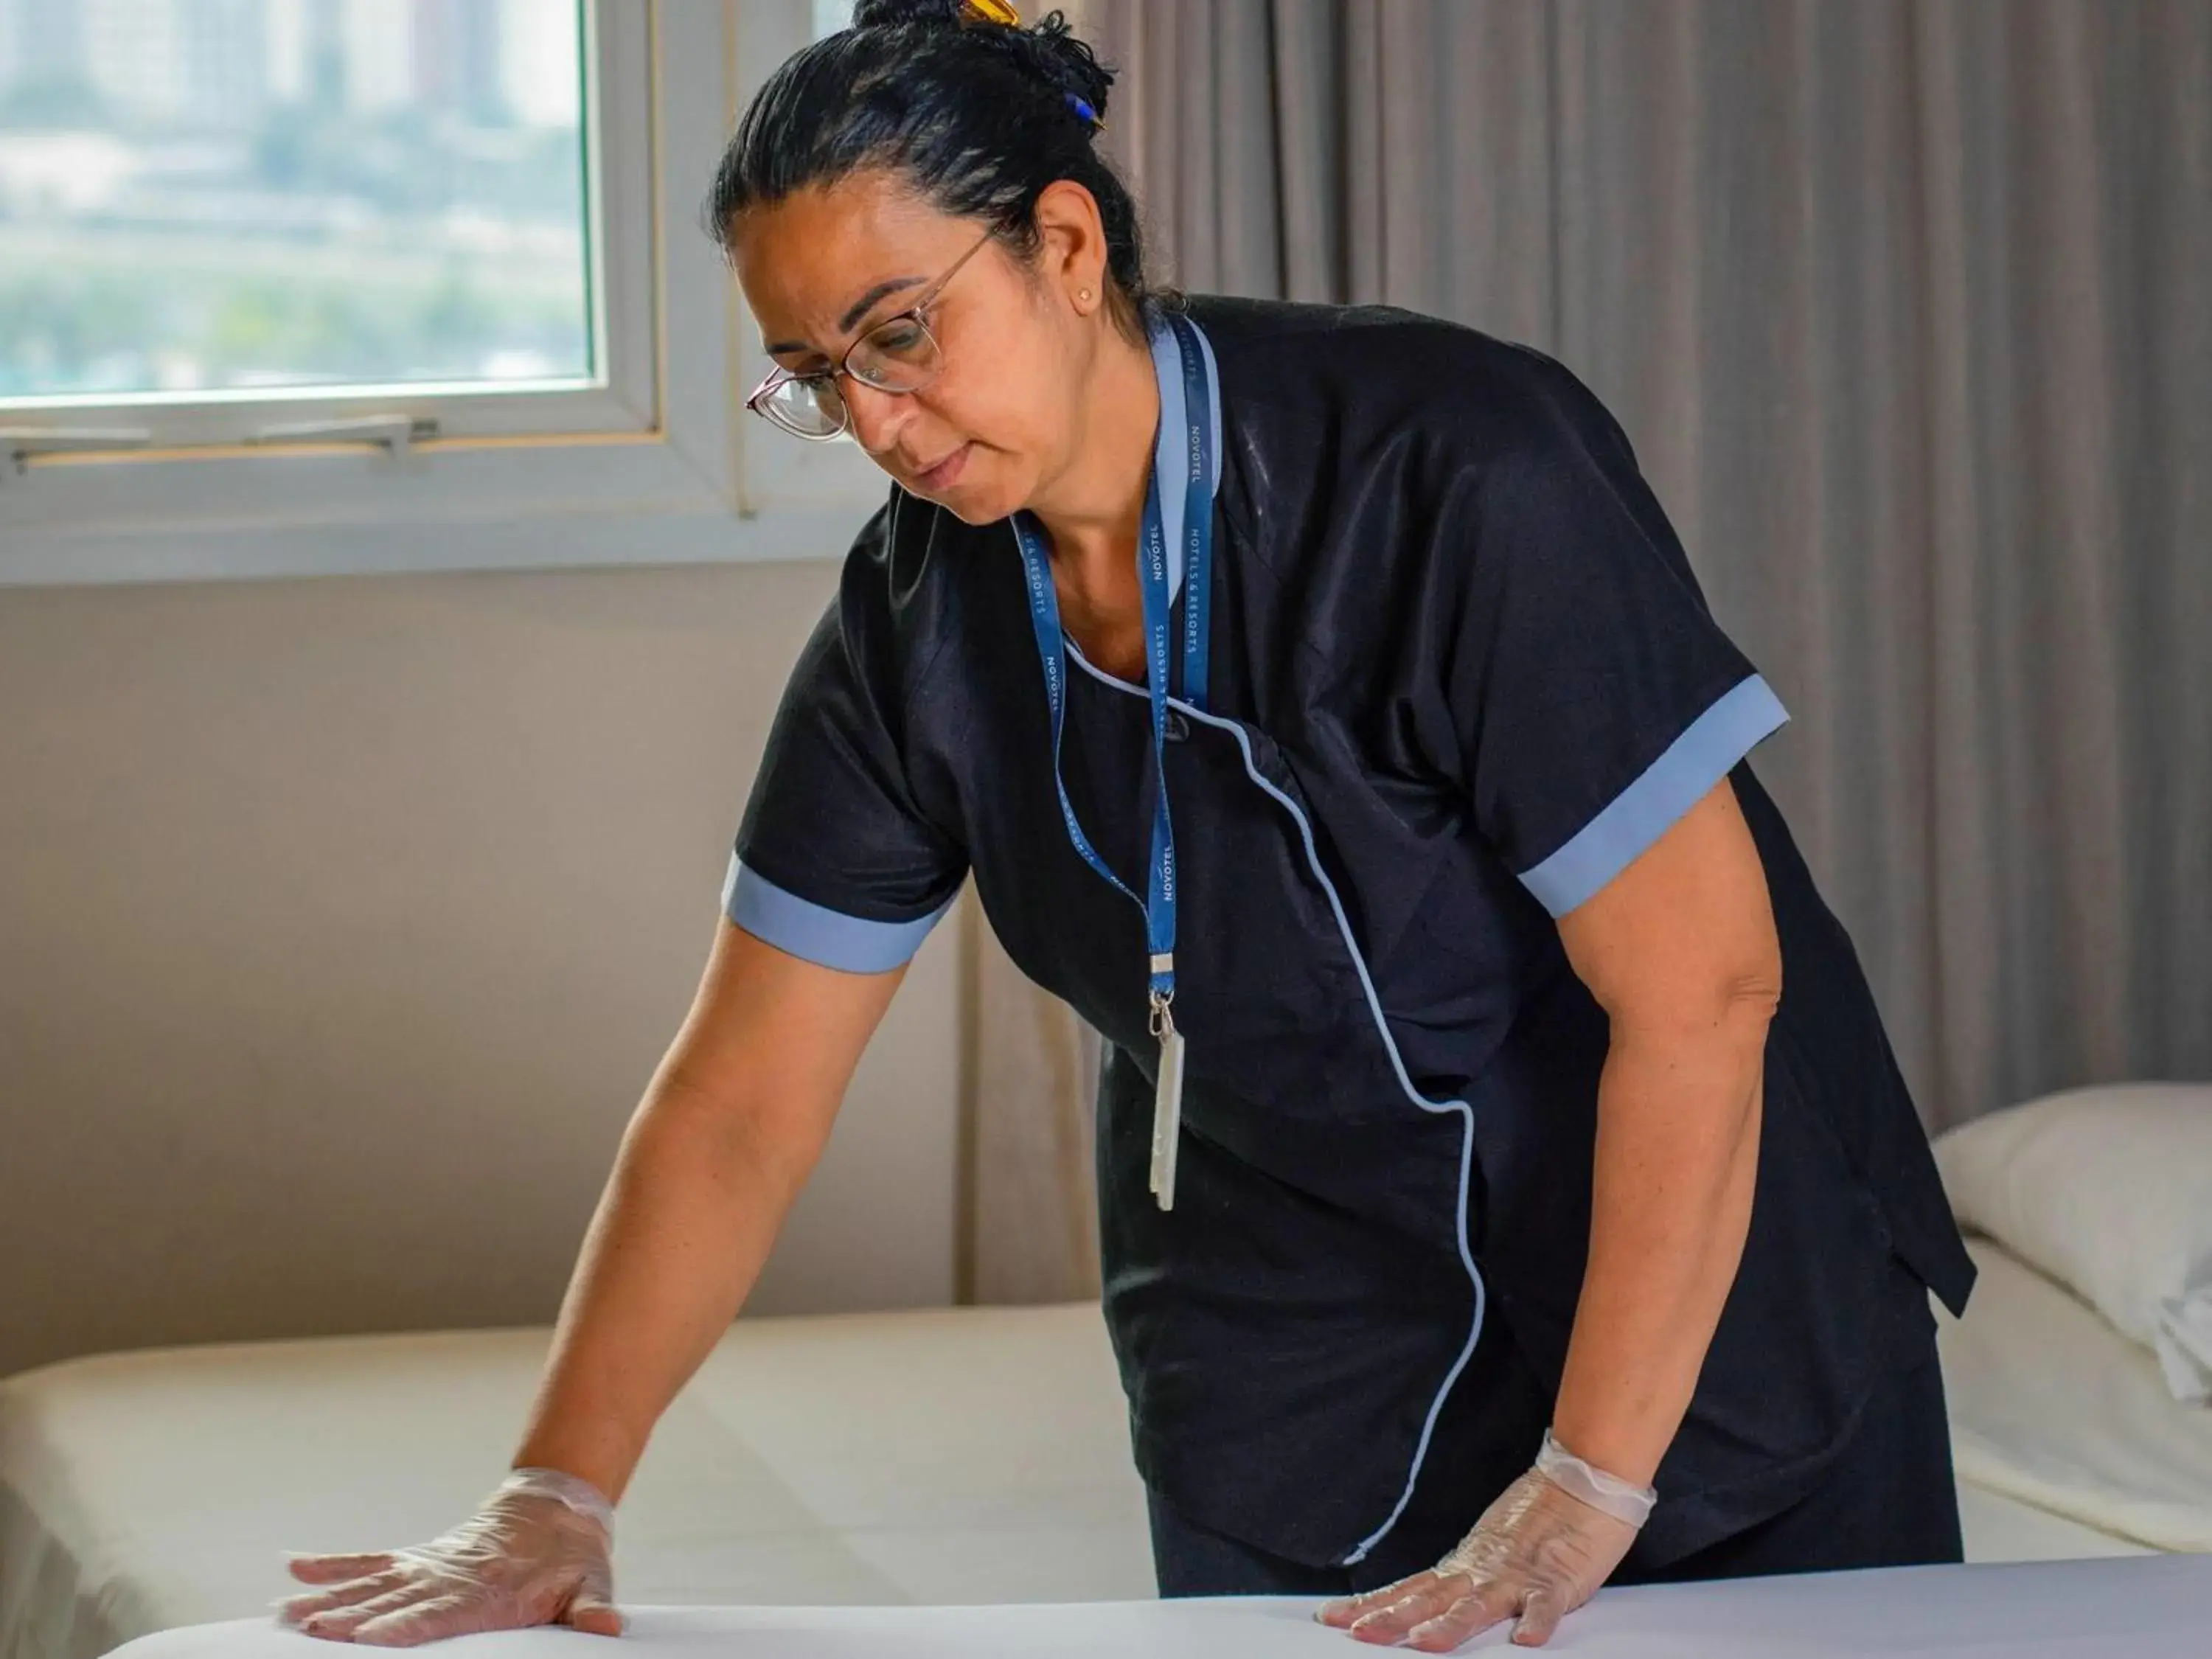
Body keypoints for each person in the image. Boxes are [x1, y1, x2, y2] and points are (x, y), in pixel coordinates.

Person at [273, 1, 1977, 1650]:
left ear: (1067, 249)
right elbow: (738, 1102)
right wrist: (555, 1490)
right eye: (812, 375)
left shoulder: (1454, 467)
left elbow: (1706, 995)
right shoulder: (914, 622)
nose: (872, 422)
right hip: (1288, 1347)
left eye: (900, 332)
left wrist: (1592, 1479)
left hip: (1705, 1319)